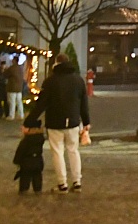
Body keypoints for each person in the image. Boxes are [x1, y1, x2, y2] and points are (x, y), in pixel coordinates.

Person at [24, 57, 90, 193]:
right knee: (73, 150)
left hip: (55, 122)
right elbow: (84, 103)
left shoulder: (50, 82)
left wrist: (28, 122)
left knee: (58, 152)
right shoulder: (78, 80)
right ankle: (77, 182)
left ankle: (62, 184)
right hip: (73, 122)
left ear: (56, 64)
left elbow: (41, 105)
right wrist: (86, 122)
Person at [13, 128, 46, 193]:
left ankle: (24, 189)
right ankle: (38, 189)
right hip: (38, 160)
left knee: (25, 176)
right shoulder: (41, 139)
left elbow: (20, 151)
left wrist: (16, 161)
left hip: (26, 162)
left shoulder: (25, 140)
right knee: (37, 175)